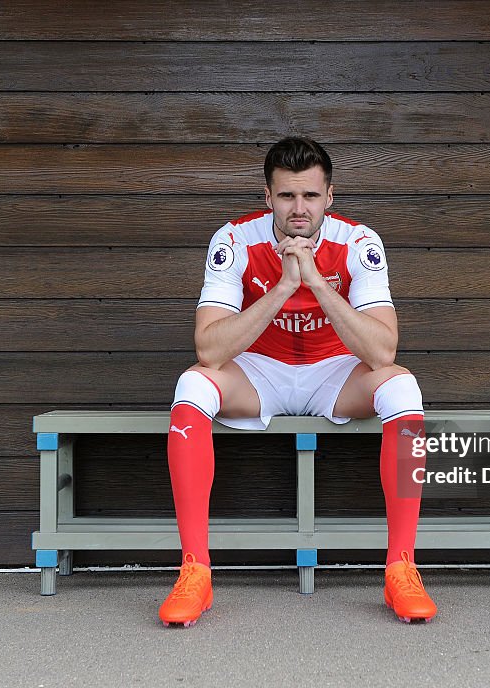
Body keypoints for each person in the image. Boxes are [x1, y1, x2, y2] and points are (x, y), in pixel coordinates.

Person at [159, 136, 435, 627]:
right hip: (260, 371)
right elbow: (210, 349)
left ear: (330, 196)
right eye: (287, 196)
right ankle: (195, 571)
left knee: (402, 387)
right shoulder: (234, 240)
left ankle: (402, 568)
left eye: (310, 195)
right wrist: (285, 285)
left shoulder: (358, 241)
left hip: (333, 373)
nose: (299, 208)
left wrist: (316, 282)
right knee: (193, 384)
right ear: (267, 197)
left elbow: (381, 351)